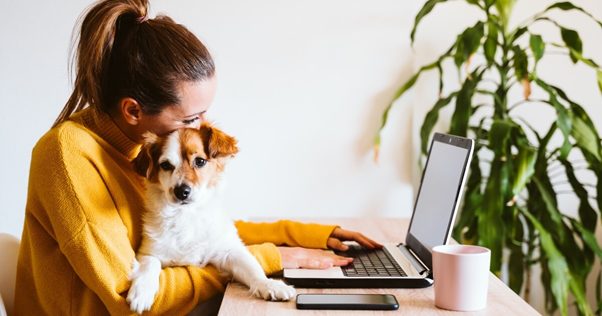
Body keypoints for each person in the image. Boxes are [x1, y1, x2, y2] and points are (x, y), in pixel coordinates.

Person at [14, 0, 382, 315]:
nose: (202, 128)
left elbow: (200, 232)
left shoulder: (145, 151)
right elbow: (128, 299)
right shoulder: (68, 156)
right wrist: (264, 261)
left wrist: (308, 236)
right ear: (132, 111)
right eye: (191, 118)